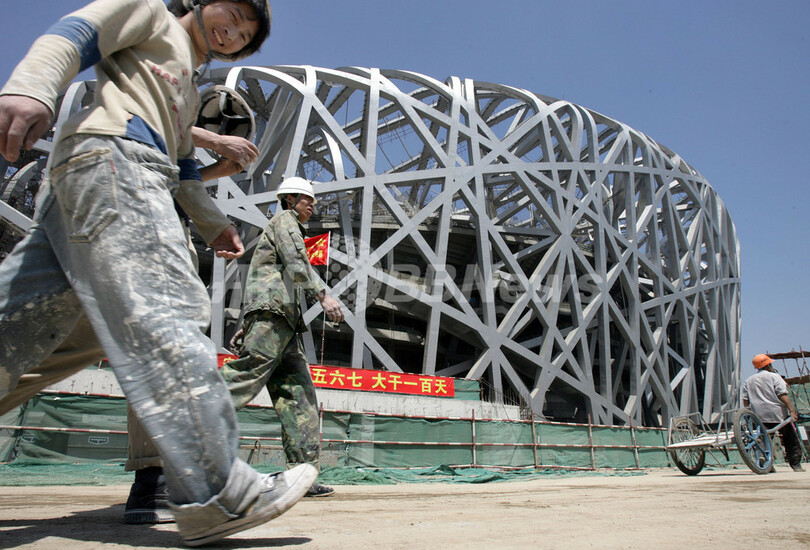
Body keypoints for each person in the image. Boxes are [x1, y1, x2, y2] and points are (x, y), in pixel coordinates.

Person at [0, 0, 319, 546]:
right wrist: (30, 88)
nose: (235, 31)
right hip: (115, 163)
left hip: (92, 181)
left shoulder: (189, 88)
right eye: (235, 12)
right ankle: (217, 492)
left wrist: (215, 225)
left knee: (38, 333)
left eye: (248, 34)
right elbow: (77, 32)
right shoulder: (151, 15)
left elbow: (183, 169)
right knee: (168, 312)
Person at [126, 176, 344, 524]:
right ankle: (188, 418)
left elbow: (263, 275)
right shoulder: (285, 222)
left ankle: (305, 472)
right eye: (307, 199)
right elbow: (295, 264)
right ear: (289, 199)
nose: (312, 205)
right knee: (245, 375)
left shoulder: (287, 226)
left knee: (299, 396)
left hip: (282, 318)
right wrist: (324, 295)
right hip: (272, 314)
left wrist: (245, 320)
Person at [743, 354, 805, 472]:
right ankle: (796, 464)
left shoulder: (749, 380)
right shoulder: (775, 377)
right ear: (768, 365)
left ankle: (766, 463)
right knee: (790, 439)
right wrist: (791, 410)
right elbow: (782, 394)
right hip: (778, 415)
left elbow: (745, 400)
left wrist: (748, 415)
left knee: (763, 441)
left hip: (759, 416)